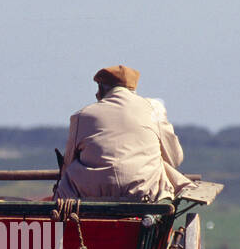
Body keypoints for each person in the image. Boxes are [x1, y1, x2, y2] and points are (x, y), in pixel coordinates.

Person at [55, 64, 191, 201]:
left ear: (101, 89)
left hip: (90, 194)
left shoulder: (81, 116)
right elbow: (175, 158)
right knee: (159, 163)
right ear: (133, 89)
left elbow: (68, 163)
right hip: (144, 192)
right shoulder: (153, 109)